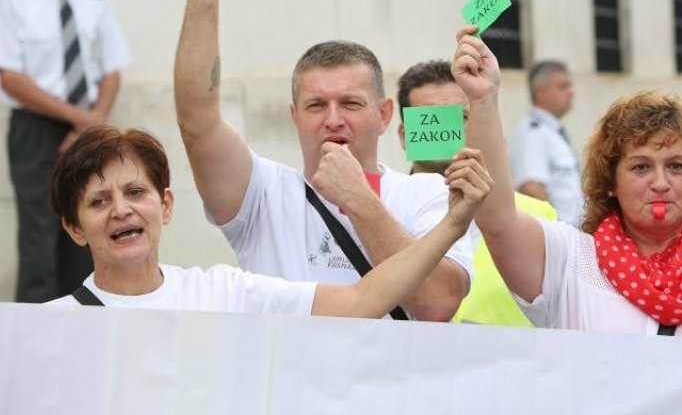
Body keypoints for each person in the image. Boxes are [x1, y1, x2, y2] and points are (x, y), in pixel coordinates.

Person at [452, 27, 682, 413]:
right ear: (611, 182)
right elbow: (497, 216)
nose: (661, 183)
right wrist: (484, 99)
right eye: (641, 167)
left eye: (677, 166)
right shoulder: (570, 261)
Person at [173, 0, 472, 321]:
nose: (333, 120)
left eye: (350, 104)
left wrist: (358, 198)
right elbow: (197, 122)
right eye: (316, 106)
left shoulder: (426, 195)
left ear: (384, 115)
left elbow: (438, 304)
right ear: (295, 115)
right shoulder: (263, 194)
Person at [47, 125, 491, 317]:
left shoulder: (223, 293)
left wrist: (452, 225)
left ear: (166, 205)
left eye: (135, 192)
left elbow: (362, 300)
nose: (122, 210)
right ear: (74, 227)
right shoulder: (47, 329)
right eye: (99, 201)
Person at [0, 0, 132, 303]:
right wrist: (81, 119)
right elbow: (10, 76)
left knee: (88, 227)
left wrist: (86, 127)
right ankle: (34, 340)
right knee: (39, 237)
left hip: (88, 130)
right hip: (37, 130)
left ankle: (88, 323)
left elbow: (112, 70)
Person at [396, 59, 556, 326]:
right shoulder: (381, 211)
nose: (448, 130)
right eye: (429, 119)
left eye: (463, 117)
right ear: (404, 135)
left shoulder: (539, 217)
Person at [507, 60, 583, 226]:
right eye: (563, 86)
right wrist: (559, 232)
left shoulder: (550, 131)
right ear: (540, 91)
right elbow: (531, 188)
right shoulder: (532, 134)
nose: (571, 92)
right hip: (560, 238)